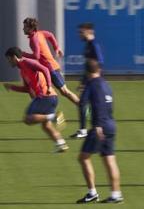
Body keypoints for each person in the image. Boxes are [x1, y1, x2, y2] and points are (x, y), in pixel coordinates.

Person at [3, 47, 68, 152]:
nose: (8, 62)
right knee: (46, 126)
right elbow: (27, 89)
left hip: (46, 96)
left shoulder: (27, 62)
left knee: (28, 119)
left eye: (9, 59)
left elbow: (45, 69)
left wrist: (48, 85)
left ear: (14, 57)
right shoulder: (22, 71)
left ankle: (55, 116)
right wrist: (12, 87)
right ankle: (61, 144)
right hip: (49, 98)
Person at [76, 60, 123, 203]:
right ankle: (116, 194)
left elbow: (83, 104)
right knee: (109, 159)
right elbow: (107, 104)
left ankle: (92, 193)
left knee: (83, 157)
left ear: (87, 73)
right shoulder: (106, 84)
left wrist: (91, 126)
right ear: (99, 70)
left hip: (99, 126)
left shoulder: (91, 84)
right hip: (111, 124)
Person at [22, 17, 80, 106]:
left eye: (25, 27)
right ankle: (43, 111)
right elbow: (50, 35)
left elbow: (36, 56)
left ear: (31, 28)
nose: (23, 28)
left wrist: (24, 54)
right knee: (38, 90)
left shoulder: (34, 39)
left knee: (64, 91)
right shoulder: (40, 33)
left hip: (51, 68)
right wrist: (56, 47)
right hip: (46, 68)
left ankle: (83, 106)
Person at [71, 22, 105, 139]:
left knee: (90, 104)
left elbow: (100, 62)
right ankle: (85, 130)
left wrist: (96, 81)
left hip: (95, 81)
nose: (79, 35)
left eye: (81, 32)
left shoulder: (94, 45)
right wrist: (83, 82)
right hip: (89, 80)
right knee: (84, 103)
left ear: (89, 32)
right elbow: (88, 66)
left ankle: (91, 129)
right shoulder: (88, 45)